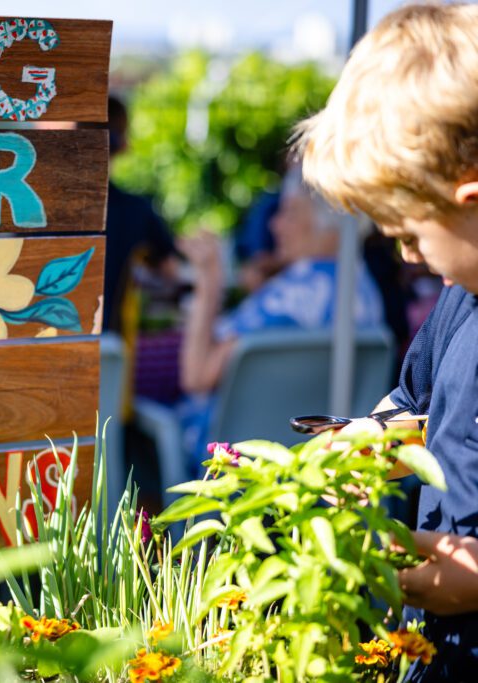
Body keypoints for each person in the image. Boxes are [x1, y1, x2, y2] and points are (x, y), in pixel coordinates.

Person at [296, 3, 478, 678]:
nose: (405, 258)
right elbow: (414, 398)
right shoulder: (462, 299)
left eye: (409, 234)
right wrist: (369, 441)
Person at [176, 165, 384, 470]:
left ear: (328, 226)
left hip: (240, 467)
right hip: (325, 463)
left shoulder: (291, 295)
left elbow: (196, 376)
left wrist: (208, 283)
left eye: (290, 212)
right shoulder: (364, 289)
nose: (275, 225)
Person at [102, 95, 179, 333]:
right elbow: (171, 273)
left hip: (39, 347)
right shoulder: (137, 210)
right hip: (108, 351)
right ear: (123, 145)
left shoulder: (34, 210)